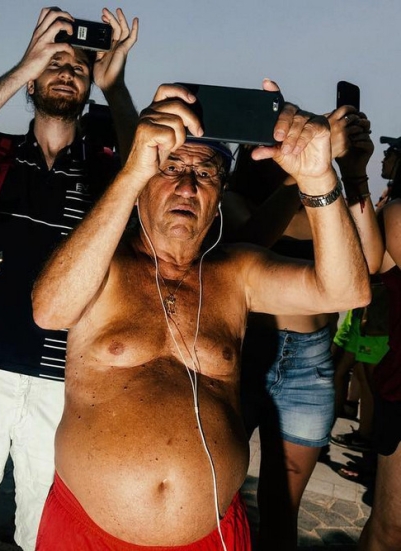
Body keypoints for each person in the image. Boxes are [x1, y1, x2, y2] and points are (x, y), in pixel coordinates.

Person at [30, 82, 371, 549]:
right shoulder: (104, 263)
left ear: (220, 192)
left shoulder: (237, 272)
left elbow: (346, 290)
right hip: (88, 533)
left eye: (205, 173)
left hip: (214, 534)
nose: (187, 186)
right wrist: (132, 172)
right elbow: (49, 311)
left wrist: (317, 180)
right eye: (170, 167)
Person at [0, 7, 138, 551]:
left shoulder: (103, 168)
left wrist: (116, 87)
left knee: (46, 535)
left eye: (79, 68)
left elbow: (147, 169)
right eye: (55, 63)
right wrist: (26, 63)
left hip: (63, 379)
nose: (67, 72)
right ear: (33, 81)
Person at [224, 105, 382, 549]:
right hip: (245, 355)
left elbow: (368, 265)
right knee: (216, 495)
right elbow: (249, 241)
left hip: (308, 367)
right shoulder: (235, 200)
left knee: (280, 513)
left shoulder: (323, 201)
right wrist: (305, 174)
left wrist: (353, 173)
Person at [359, 134, 401, 551]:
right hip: (398, 381)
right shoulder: (397, 213)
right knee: (391, 529)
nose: (387, 158)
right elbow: (369, 265)